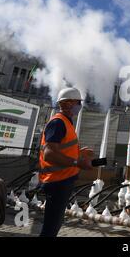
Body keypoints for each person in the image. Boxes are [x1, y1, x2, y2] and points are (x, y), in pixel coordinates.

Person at [38, 87, 93, 237]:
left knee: (54, 224)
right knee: (51, 227)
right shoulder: (58, 123)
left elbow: (61, 150)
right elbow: (49, 154)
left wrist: (80, 153)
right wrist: (77, 162)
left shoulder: (66, 123)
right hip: (57, 182)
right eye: (78, 102)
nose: (79, 106)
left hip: (62, 181)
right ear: (67, 103)